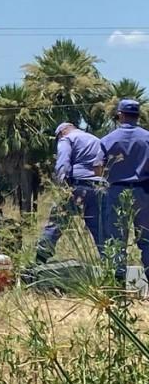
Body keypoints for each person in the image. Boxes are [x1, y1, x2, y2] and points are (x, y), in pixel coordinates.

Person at [36, 123, 105, 263]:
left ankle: (41, 257)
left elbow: (63, 162)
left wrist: (61, 186)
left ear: (62, 132)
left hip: (77, 185)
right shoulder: (96, 139)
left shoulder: (67, 139)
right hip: (99, 186)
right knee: (99, 227)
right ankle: (109, 260)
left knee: (57, 222)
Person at [100, 100, 149, 284]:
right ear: (138, 115)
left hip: (117, 191)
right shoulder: (147, 137)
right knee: (147, 240)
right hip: (144, 191)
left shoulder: (108, 139)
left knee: (116, 239)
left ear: (120, 115)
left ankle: (118, 285)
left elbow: (98, 167)